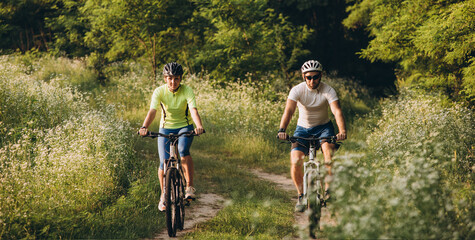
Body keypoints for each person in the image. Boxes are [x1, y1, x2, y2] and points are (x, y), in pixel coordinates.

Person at [277, 60, 347, 212]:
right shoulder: (297, 90)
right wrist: (282, 129)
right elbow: (289, 111)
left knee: (328, 154)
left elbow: (336, 111)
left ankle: (328, 192)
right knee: (295, 161)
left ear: (321, 76)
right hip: (302, 129)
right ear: (303, 77)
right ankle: (301, 195)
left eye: (315, 77)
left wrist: (342, 131)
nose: (312, 80)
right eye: (309, 77)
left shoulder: (328, 90)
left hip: (324, 128)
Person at [139, 62, 204, 212]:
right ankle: (164, 194)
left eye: (176, 79)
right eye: (170, 78)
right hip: (166, 128)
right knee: (163, 162)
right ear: (165, 78)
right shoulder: (159, 91)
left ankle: (189, 186)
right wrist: (144, 127)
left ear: (181, 79)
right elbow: (152, 111)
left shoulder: (187, 90)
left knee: (182, 151)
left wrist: (198, 126)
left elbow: (193, 110)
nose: (173, 82)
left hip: (184, 127)